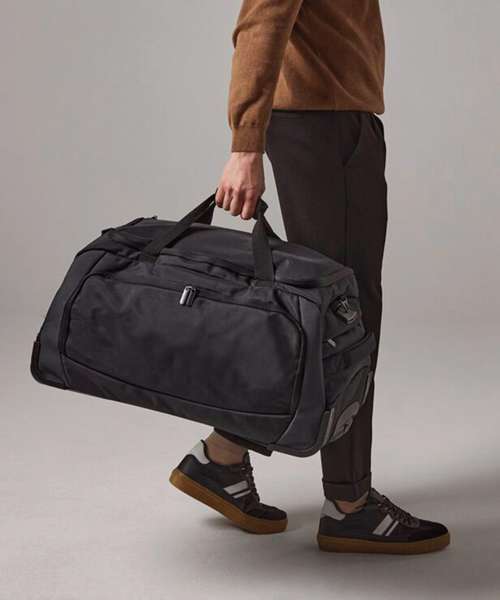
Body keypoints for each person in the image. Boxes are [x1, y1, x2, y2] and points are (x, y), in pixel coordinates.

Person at [169, 0, 450, 554]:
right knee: (347, 319)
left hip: (331, 123)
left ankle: (223, 455)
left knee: (319, 316)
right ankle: (349, 504)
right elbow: (261, 21)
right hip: (323, 127)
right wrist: (245, 143)